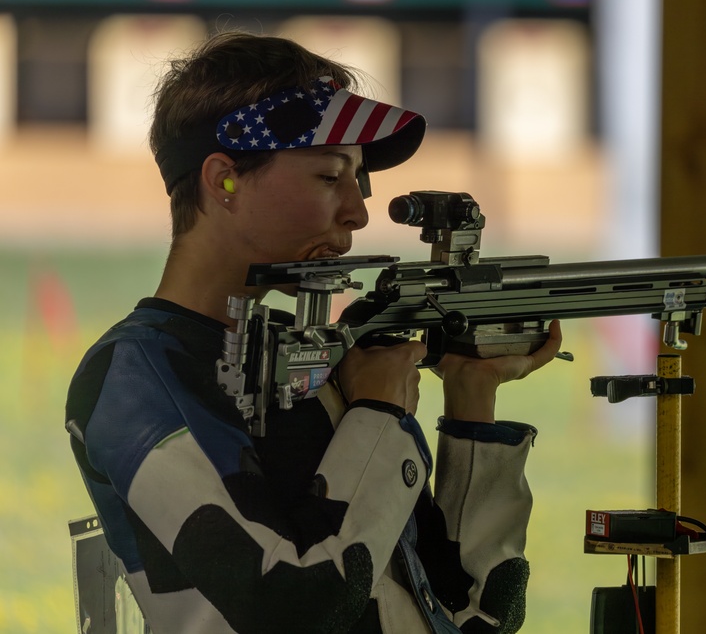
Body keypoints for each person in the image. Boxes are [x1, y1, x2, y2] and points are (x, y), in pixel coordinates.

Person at [65, 31, 562, 634]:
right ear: (224, 179)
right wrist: (378, 413)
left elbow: (479, 615)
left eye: (359, 180)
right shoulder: (132, 376)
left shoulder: (311, 362)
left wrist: (472, 397)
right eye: (330, 177)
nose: (358, 211)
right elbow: (294, 605)